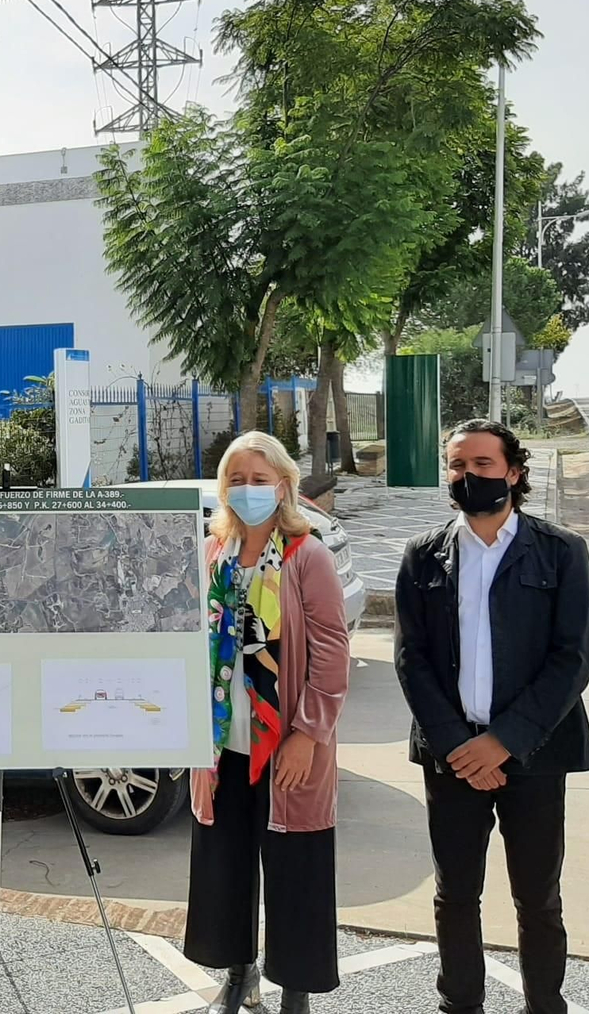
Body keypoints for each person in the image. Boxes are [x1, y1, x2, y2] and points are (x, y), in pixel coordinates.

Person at [395, 419, 589, 1014]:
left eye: (482, 464)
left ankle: (544, 1005)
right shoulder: (424, 555)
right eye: (458, 465)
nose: (468, 475)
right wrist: (460, 745)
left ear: (513, 472)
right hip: (452, 757)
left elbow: (572, 657)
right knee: (456, 895)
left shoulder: (561, 551)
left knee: (538, 900)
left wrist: (504, 741)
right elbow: (411, 657)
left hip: (535, 755)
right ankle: (460, 1004)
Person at [183, 431, 351, 1014]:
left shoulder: (307, 555)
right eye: (237, 479)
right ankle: (239, 973)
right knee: (225, 865)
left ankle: (295, 990)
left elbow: (331, 651)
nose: (248, 489)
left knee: (296, 869)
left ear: (283, 486)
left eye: (260, 479)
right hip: (220, 745)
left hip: (286, 744)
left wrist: (309, 734)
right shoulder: (213, 552)